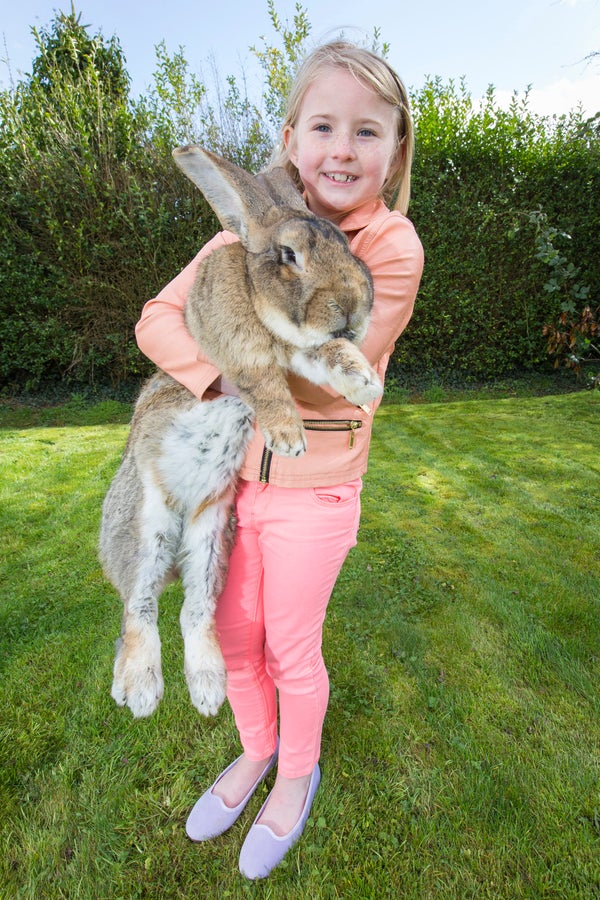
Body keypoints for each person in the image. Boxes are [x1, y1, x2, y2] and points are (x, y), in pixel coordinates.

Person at [135, 40, 424, 880]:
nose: (342, 148)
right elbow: (159, 319)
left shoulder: (389, 245)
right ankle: (256, 751)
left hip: (316, 492)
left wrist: (243, 350)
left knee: (291, 643)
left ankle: (297, 775)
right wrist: (231, 373)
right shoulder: (252, 233)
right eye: (324, 126)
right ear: (293, 139)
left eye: (366, 132)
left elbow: (342, 372)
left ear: (394, 149)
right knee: (231, 633)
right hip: (230, 484)